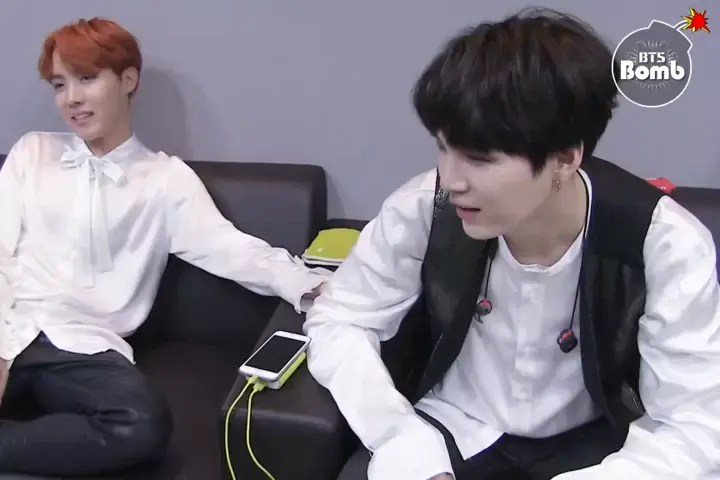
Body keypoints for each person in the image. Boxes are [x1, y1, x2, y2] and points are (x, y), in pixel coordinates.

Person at [304, 8, 720, 480]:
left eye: (479, 159)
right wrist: (400, 437)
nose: (451, 179)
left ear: (565, 158)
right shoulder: (423, 208)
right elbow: (339, 319)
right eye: (442, 147)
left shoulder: (662, 242)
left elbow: (695, 423)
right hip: (451, 430)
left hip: (602, 447)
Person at [0, 18, 328, 477]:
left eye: (86, 78)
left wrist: (311, 286)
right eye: (59, 85)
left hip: (81, 347)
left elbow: (232, 249)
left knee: (141, 424)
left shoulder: (165, 180)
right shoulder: (33, 153)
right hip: (9, 321)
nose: (71, 98)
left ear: (128, 79)